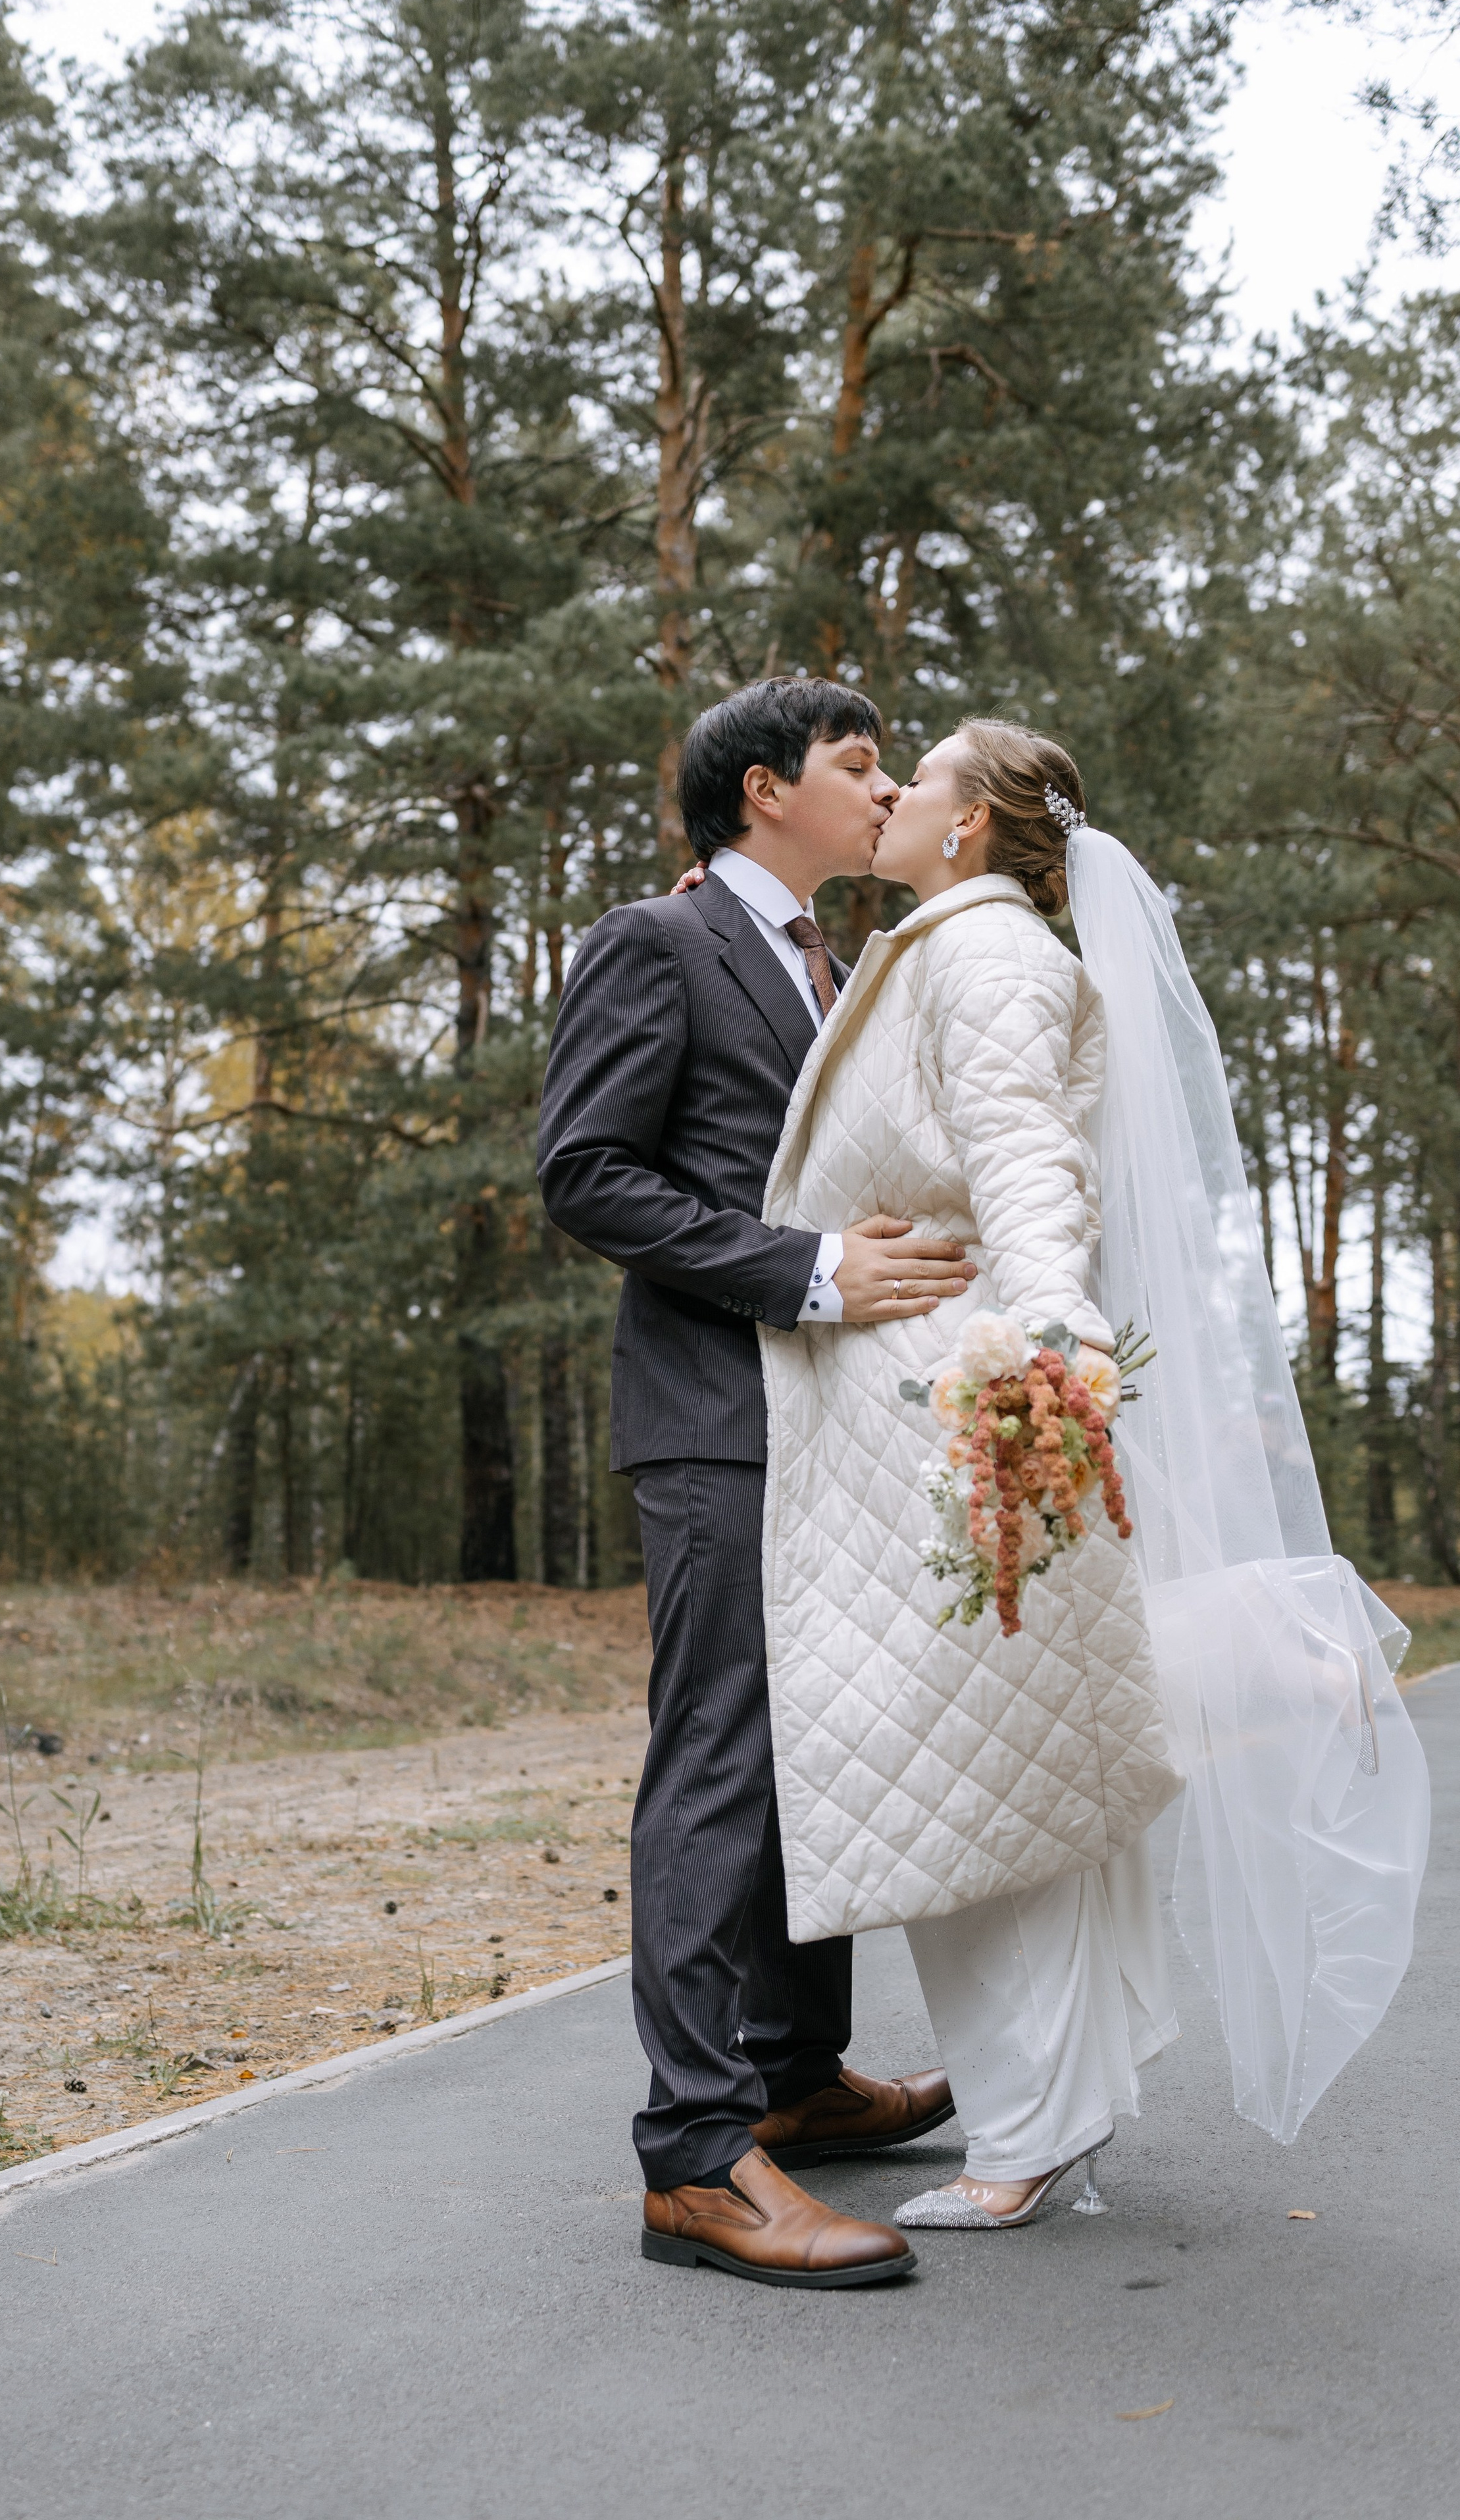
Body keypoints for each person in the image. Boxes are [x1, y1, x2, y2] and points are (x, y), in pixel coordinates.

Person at [754, 712, 1428, 2229]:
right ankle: (1040, 2116)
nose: (888, 792)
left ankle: (1027, 2134)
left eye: (916, 774)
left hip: (957, 1416)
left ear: (969, 823)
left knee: (978, 1780)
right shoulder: (937, 949)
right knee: (1002, 1770)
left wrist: (1048, 1338)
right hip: (918, 1415)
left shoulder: (987, 956)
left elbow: (1026, 1167)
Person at [536, 678, 970, 2288]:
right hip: (716, 1413)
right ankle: (694, 2155)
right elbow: (586, 1171)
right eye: (858, 766)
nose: (885, 791)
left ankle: (794, 2074)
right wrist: (804, 1272)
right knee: (718, 1755)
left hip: (836, 1425)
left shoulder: (837, 970)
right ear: (764, 789)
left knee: (818, 1742)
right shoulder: (654, 941)